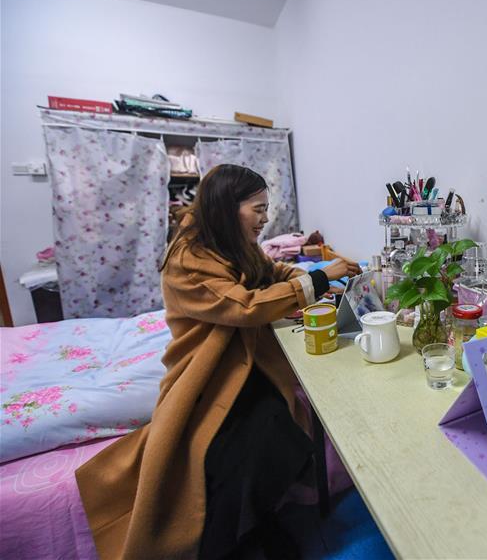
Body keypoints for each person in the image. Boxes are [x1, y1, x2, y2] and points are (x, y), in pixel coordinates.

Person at [76, 164, 361, 559]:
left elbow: (268, 270)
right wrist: (316, 280)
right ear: (227, 207)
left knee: (278, 434)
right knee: (242, 446)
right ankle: (227, 542)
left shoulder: (231, 239)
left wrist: (301, 276)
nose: (264, 218)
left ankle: (260, 521)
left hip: (245, 359)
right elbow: (243, 306)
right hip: (209, 370)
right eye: (258, 209)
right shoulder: (189, 256)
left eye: (266, 209)